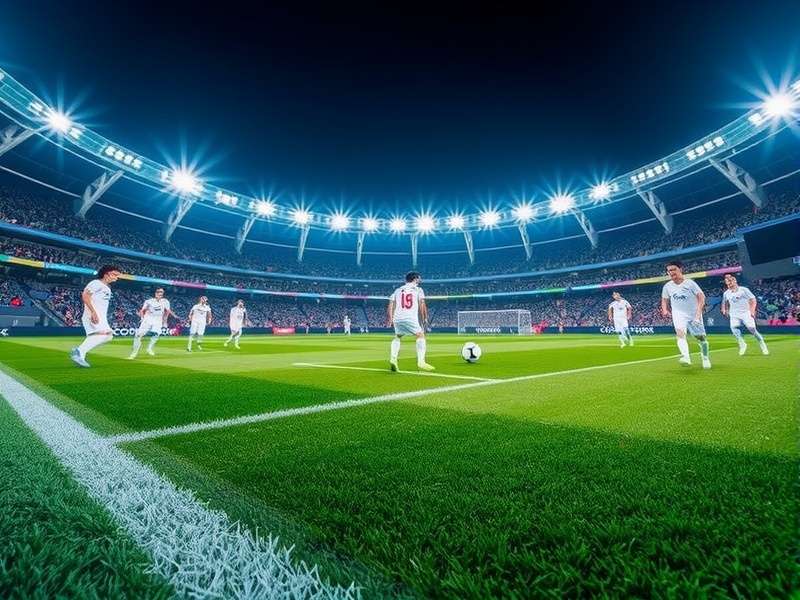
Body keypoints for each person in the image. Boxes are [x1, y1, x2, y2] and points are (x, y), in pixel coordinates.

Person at [660, 260, 711, 369]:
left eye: (674, 269)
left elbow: (702, 298)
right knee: (680, 334)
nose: (672, 272)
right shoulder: (667, 286)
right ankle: (686, 357)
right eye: (669, 271)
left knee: (701, 338)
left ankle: (705, 357)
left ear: (680, 270)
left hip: (693, 314)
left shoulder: (690, 283)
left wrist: (697, 315)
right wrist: (664, 309)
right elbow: (664, 299)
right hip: (678, 314)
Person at [70, 265, 120, 368]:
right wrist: (93, 312)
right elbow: (85, 295)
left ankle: (81, 355)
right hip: (92, 315)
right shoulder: (96, 283)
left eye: (117, 275)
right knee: (102, 335)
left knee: (108, 336)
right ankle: (79, 351)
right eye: (114, 274)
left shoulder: (107, 288)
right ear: (106, 274)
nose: (116, 277)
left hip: (101, 317)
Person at [387, 271, 434, 372]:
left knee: (397, 336)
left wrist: (391, 318)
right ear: (415, 279)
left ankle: (393, 359)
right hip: (410, 317)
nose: (420, 280)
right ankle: (421, 361)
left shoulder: (398, 290)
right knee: (421, 336)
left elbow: (391, 304)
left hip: (397, 317)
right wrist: (424, 318)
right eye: (419, 278)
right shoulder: (418, 289)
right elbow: (422, 304)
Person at [721, 273, 769, 356]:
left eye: (730, 283)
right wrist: (724, 309)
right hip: (734, 314)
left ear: (735, 281)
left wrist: (752, 311)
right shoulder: (726, 293)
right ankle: (742, 344)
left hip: (745, 312)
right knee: (734, 327)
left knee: (752, 329)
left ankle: (761, 342)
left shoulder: (744, 290)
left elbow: (753, 299)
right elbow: (724, 302)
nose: (728, 285)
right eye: (727, 284)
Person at [128, 288, 177, 359]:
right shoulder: (148, 301)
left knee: (156, 334)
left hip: (158, 320)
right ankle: (133, 353)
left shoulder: (165, 301)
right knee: (138, 335)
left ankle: (149, 348)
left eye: (162, 292)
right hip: (148, 319)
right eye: (159, 292)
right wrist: (142, 318)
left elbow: (167, 311)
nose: (160, 294)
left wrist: (165, 321)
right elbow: (142, 311)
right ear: (155, 293)